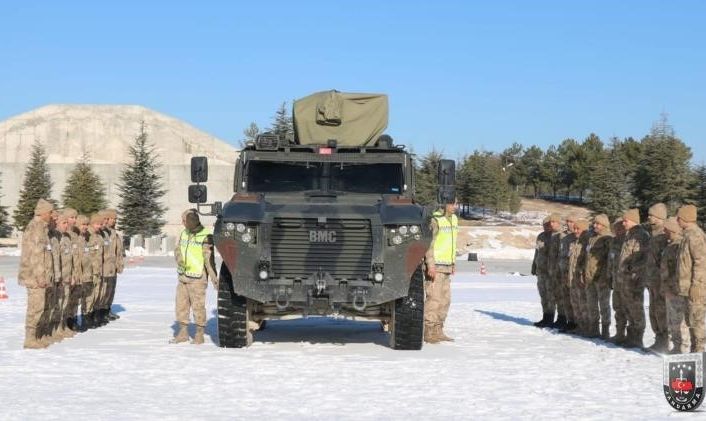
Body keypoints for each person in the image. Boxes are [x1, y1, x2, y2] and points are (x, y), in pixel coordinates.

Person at [172, 210, 218, 344]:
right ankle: (183, 333)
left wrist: (214, 278)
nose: (182, 223)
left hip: (198, 278)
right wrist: (179, 258)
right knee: (181, 306)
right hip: (183, 277)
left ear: (190, 221)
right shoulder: (184, 233)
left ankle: (199, 334)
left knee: (198, 306)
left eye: (184, 220)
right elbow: (178, 249)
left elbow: (209, 260)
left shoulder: (205, 236)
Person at [17, 199, 55, 349]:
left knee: (41, 306)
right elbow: (36, 255)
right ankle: (30, 339)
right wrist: (40, 276)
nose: (51, 215)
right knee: (35, 307)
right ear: (43, 212)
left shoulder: (42, 227)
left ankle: (37, 336)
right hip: (34, 277)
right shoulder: (35, 228)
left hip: (39, 275)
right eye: (50, 212)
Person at [424, 201, 459, 343]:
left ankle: (438, 330)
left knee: (445, 300)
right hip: (436, 267)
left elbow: (451, 242)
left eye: (457, 203)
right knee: (434, 299)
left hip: (447, 266)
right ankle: (428, 331)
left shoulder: (454, 219)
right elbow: (429, 244)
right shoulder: (435, 220)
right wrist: (430, 265)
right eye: (452, 204)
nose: (455, 207)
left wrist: (453, 262)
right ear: (444, 205)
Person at [617, 208, 650, 348]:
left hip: (635, 278)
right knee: (628, 307)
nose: (623, 223)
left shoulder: (642, 235)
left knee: (636, 308)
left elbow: (644, 258)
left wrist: (632, 269)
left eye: (626, 220)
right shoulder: (629, 234)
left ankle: (637, 338)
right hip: (625, 279)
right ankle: (631, 337)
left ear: (634, 220)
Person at [676, 204, 706, 353]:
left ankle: (700, 353)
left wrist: (696, 286)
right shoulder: (687, 235)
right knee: (691, 321)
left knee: (697, 322)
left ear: (685, 218)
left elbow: (701, 263)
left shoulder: (695, 235)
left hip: (696, 289)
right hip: (687, 288)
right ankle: (695, 352)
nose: (677, 220)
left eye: (679, 217)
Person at [583, 214, 612, 339]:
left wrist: (605, 275)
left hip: (602, 278)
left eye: (598, 224)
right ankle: (594, 329)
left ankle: (605, 331)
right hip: (590, 277)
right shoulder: (592, 238)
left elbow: (609, 260)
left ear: (604, 225)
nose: (595, 225)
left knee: (604, 305)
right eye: (594, 223)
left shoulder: (608, 238)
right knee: (591, 304)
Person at [661, 217, 688, 353]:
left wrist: (673, 287)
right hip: (669, 289)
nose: (664, 230)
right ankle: (676, 347)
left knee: (679, 321)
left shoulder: (678, 245)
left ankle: (682, 348)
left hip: (676, 289)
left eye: (666, 228)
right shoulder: (670, 244)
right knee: (672, 320)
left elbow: (680, 270)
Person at [645, 203, 669, 352]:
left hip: (661, 281)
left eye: (651, 215)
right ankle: (658, 339)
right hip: (652, 280)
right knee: (653, 311)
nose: (649, 218)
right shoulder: (652, 233)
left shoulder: (664, 234)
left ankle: (665, 341)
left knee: (661, 311)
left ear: (660, 217)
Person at [100, 209, 124, 321]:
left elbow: (118, 251)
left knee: (111, 290)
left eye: (115, 219)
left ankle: (107, 310)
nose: (114, 221)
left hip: (112, 267)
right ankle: (100, 312)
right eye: (112, 219)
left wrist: (119, 264)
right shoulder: (103, 233)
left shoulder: (114, 233)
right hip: (104, 267)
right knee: (103, 290)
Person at [607, 220, 628, 344]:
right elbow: (611, 260)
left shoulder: (627, 242)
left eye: (620, 229)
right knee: (617, 307)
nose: (618, 231)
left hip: (626, 281)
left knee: (628, 308)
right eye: (616, 229)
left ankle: (632, 336)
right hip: (615, 280)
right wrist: (609, 275)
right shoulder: (614, 241)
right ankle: (619, 333)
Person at [531, 217, 554, 327]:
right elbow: (537, 252)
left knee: (551, 296)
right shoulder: (540, 236)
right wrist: (534, 266)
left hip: (550, 271)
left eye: (547, 225)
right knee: (543, 295)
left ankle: (551, 318)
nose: (545, 227)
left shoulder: (555, 237)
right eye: (544, 225)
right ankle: (545, 317)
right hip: (541, 270)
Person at [85, 213, 106, 329]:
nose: (100, 226)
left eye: (100, 224)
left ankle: (93, 315)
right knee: (90, 295)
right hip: (91, 270)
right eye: (98, 224)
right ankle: (87, 317)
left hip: (98, 269)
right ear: (93, 223)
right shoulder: (88, 235)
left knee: (97, 294)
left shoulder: (98, 235)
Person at [558, 215, 578, 332]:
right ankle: (570, 321)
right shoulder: (564, 237)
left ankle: (577, 322)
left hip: (575, 274)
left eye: (571, 221)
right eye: (567, 221)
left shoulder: (581, 236)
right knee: (566, 298)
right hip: (564, 272)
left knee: (576, 299)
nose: (569, 224)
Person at [571, 219, 591, 335]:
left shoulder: (587, 243)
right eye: (575, 229)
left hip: (583, 278)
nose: (575, 231)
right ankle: (579, 325)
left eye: (578, 229)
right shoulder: (575, 242)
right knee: (576, 303)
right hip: (574, 278)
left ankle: (587, 326)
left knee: (584, 303)